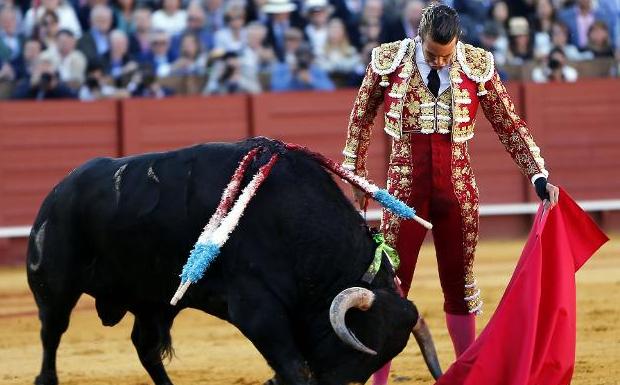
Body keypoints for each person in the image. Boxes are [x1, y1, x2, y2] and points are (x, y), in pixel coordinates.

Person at [340, 5, 559, 384]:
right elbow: (360, 118)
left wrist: (538, 175)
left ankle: (467, 376)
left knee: (459, 282)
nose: (440, 61)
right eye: (431, 54)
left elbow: (509, 124)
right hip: (403, 191)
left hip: (458, 188)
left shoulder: (477, 64)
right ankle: (378, 381)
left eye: (447, 54)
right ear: (418, 35)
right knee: (391, 284)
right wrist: (357, 177)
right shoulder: (388, 60)